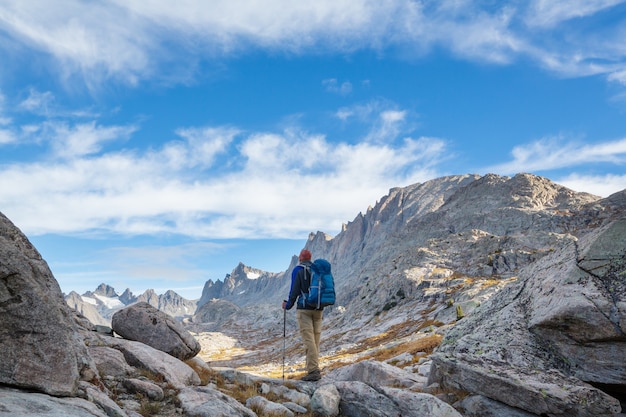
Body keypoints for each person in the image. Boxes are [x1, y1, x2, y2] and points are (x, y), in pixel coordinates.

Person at [282, 249, 323, 381]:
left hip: (304, 309)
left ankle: (313, 371)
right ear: (310, 258)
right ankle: (313, 368)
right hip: (318, 308)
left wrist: (288, 305)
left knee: (308, 340)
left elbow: (294, 291)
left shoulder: (298, 270)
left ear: (300, 258)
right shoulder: (318, 270)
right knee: (315, 340)